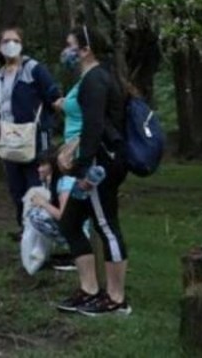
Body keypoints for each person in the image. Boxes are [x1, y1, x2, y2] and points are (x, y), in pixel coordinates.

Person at [53, 25, 131, 316]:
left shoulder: (96, 79)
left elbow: (95, 127)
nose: (67, 50)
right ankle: (89, 289)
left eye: (70, 45)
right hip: (91, 162)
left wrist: (83, 165)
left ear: (86, 50)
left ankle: (116, 299)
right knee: (70, 222)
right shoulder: (90, 79)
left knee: (106, 225)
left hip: (100, 166)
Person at [0, 27, 61, 239]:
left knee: (36, 182)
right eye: (6, 41)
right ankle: (24, 227)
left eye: (15, 40)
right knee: (16, 185)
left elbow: (53, 97)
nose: (11, 44)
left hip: (35, 136)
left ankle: (41, 228)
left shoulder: (34, 69)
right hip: (9, 136)